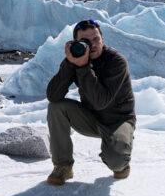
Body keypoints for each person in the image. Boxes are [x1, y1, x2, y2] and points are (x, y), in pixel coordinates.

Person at [45, 19, 135, 186]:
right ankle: (63, 167)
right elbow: (53, 96)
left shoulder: (116, 62)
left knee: (116, 163)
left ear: (102, 39)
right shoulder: (77, 59)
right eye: (85, 41)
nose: (92, 45)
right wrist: (69, 64)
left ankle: (119, 154)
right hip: (91, 118)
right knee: (56, 107)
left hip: (118, 121)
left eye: (96, 39)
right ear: (76, 42)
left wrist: (83, 67)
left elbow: (101, 101)